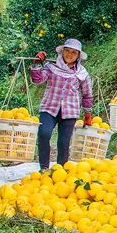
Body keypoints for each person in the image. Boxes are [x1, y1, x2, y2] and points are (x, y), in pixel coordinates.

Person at [30, 38, 93, 171]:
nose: (69, 54)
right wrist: (37, 64)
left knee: (64, 143)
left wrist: (87, 113)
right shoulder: (51, 67)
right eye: (67, 51)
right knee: (44, 134)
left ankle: (60, 171)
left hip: (70, 111)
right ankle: (44, 169)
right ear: (62, 51)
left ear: (78, 56)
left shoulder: (82, 73)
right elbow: (37, 80)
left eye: (74, 53)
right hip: (49, 107)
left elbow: (87, 94)